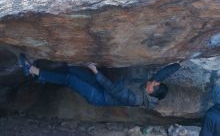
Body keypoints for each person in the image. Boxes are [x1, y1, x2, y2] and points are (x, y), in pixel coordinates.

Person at [19, 53, 181, 109]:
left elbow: (112, 89)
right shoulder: (150, 89)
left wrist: (96, 71)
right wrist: (179, 63)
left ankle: (32, 71)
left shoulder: (135, 98)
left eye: (154, 83)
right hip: (101, 85)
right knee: (71, 69)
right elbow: (162, 75)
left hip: (98, 95)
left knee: (69, 79)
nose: (154, 80)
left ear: (151, 90)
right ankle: (41, 76)